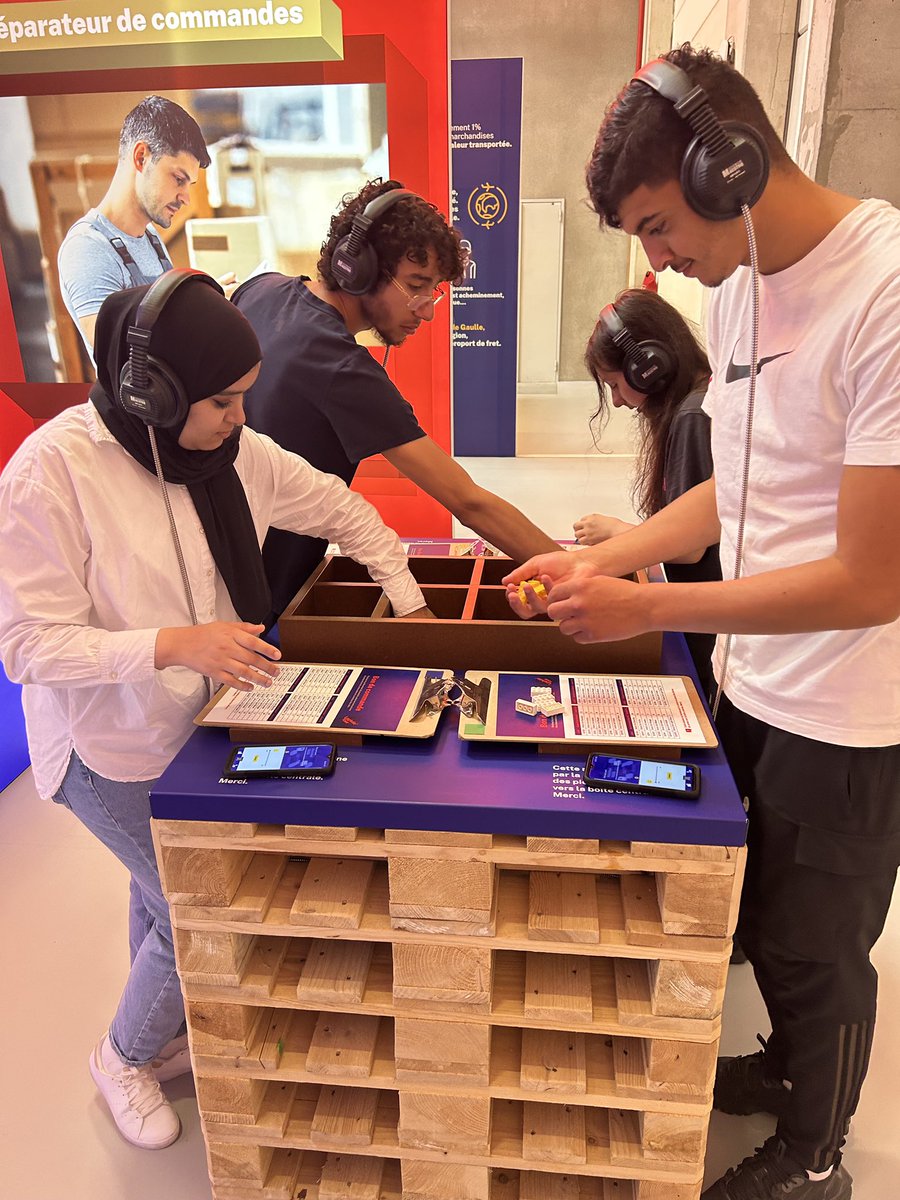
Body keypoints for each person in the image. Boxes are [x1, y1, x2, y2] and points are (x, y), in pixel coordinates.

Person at [506, 44, 900, 1200]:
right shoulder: (741, 294)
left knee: (817, 945)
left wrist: (651, 606)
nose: (656, 259)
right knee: (765, 916)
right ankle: (788, 1072)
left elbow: (872, 578)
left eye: (656, 222)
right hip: (757, 681)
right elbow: (737, 482)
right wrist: (612, 554)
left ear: (729, 163)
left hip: (850, 705)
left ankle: (817, 1148)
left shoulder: (884, 291)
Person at [0, 270, 431, 1150]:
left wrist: (413, 607)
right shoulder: (50, 473)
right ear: (149, 392)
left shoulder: (237, 456)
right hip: (102, 745)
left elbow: (345, 509)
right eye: (223, 401)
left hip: (191, 730)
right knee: (190, 898)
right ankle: (121, 1055)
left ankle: (156, 1032)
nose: (241, 416)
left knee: (157, 887)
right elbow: (27, 646)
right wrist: (170, 642)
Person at [233, 178, 559, 624]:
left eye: (434, 292)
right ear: (357, 269)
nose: (425, 310)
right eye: (416, 286)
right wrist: (580, 571)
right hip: (263, 597)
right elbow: (467, 501)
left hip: (218, 571)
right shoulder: (342, 369)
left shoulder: (261, 289)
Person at [574, 288, 718, 695]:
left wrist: (618, 532)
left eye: (616, 385)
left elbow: (691, 546)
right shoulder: (699, 401)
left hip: (708, 613)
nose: (617, 401)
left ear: (647, 368)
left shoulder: (693, 415)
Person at [57, 95, 230, 356]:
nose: (185, 198)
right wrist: (204, 317)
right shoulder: (87, 248)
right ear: (141, 158)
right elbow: (119, 356)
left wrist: (212, 303)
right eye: (178, 179)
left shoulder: (150, 237)